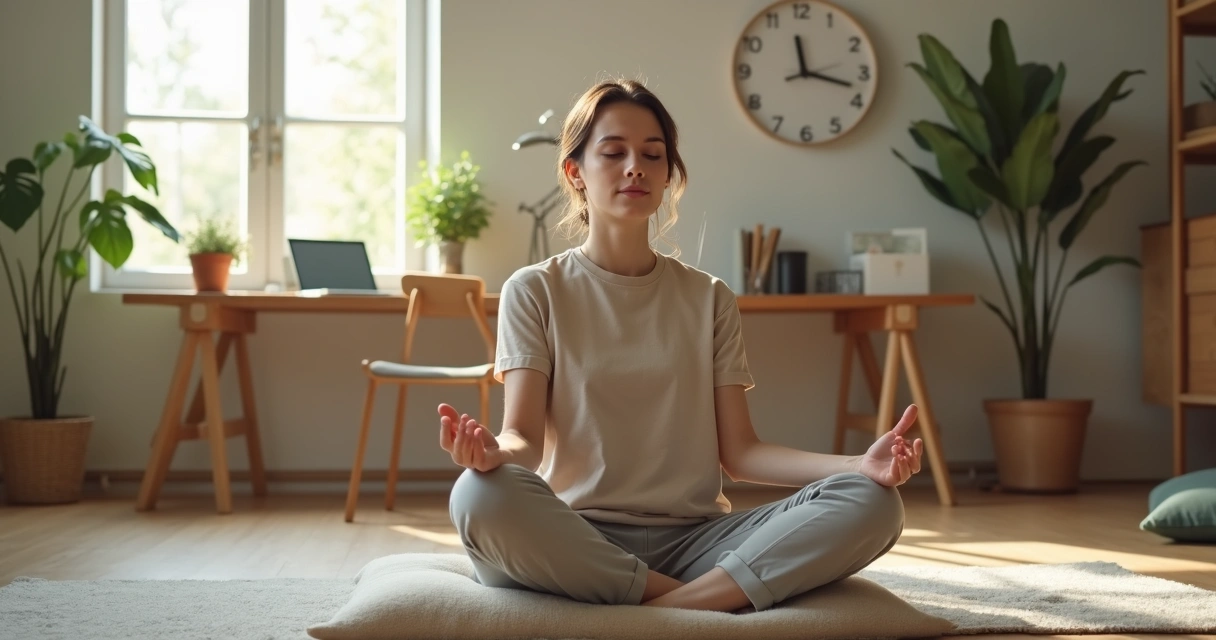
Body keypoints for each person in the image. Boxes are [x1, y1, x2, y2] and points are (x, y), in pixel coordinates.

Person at [436, 78, 924, 614]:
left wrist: (860, 465)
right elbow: (523, 439)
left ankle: (654, 601)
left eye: (653, 154)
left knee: (873, 502)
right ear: (574, 171)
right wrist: (490, 454)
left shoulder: (709, 297)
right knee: (477, 494)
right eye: (614, 152)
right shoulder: (534, 290)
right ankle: (694, 604)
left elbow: (741, 454)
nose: (635, 168)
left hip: (699, 543)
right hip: (576, 534)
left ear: (669, 173)